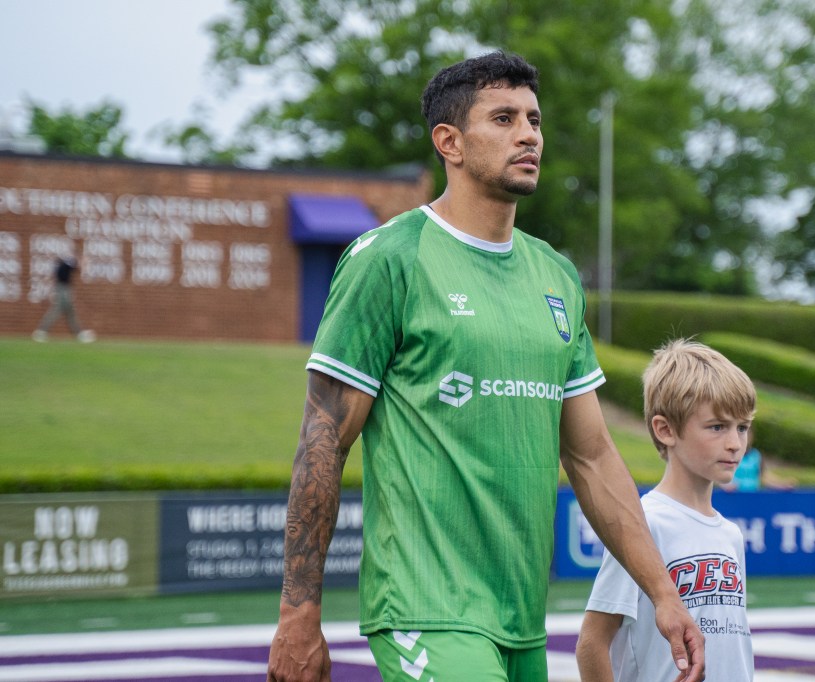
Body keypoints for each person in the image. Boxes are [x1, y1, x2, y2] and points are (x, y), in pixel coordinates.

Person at [266, 51, 705, 682]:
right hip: (425, 606)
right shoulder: (388, 258)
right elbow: (322, 441)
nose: (529, 134)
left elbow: (591, 456)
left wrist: (663, 593)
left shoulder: (554, 274)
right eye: (503, 118)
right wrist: (298, 613)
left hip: (522, 619)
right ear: (450, 142)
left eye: (533, 119)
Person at [576, 339, 756, 682]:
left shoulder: (731, 535)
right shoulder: (643, 524)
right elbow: (592, 641)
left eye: (742, 427)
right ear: (665, 430)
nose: (735, 443)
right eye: (717, 426)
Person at [32, 252, 95, 343]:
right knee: (57, 310)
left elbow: (74, 267)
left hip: (63, 289)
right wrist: (82, 261)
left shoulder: (63, 265)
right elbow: (76, 267)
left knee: (70, 312)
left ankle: (78, 333)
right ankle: (42, 331)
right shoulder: (66, 264)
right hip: (63, 290)